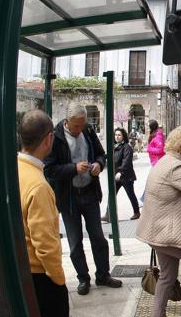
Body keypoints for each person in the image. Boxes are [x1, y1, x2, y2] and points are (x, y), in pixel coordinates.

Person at [44, 103, 122, 296]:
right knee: (75, 242)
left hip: (89, 192)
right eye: (76, 126)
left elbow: (101, 154)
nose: (79, 129)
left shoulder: (87, 130)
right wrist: (73, 168)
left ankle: (103, 275)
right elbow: (49, 170)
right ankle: (83, 279)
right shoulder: (56, 137)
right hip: (69, 198)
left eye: (82, 124)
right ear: (67, 121)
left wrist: (98, 165)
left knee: (98, 237)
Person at [136, 126, 181, 317]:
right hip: (166, 234)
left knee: (167, 276)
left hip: (156, 232)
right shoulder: (177, 168)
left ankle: (158, 314)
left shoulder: (166, 161)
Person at [17, 109, 69, 317]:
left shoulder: (14, 168)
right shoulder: (39, 186)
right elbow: (45, 244)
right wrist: (58, 278)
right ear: (48, 139)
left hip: (21, 270)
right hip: (40, 277)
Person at [102, 128, 140, 221]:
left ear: (123, 136)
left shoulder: (127, 147)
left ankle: (137, 212)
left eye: (119, 135)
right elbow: (109, 157)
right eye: (116, 135)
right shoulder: (114, 147)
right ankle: (108, 214)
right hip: (116, 176)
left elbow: (126, 162)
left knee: (131, 194)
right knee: (112, 194)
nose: (117, 137)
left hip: (126, 176)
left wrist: (120, 172)